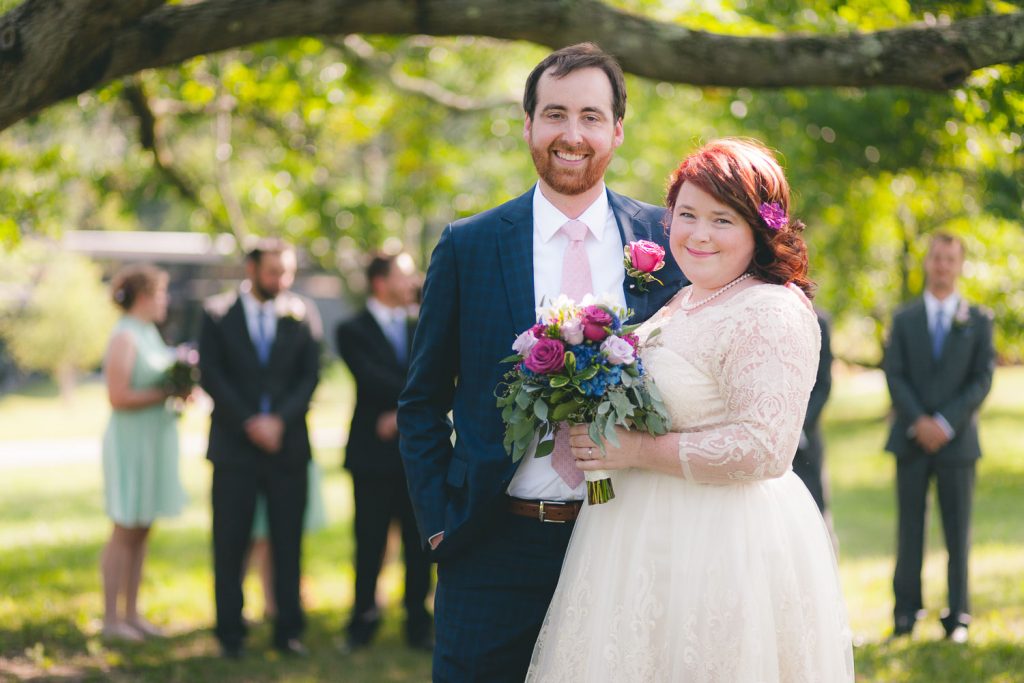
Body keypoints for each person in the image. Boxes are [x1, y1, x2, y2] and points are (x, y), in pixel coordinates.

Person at [398, 43, 685, 681]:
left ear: (616, 130)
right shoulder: (469, 246)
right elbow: (420, 400)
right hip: (493, 546)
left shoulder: (667, 241)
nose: (572, 134)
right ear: (528, 125)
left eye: (590, 116)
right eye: (554, 114)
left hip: (626, 542)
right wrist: (442, 524)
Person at [527, 138, 854, 681]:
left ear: (758, 228)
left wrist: (633, 449)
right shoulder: (684, 299)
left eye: (722, 220)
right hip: (636, 537)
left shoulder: (769, 309)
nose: (698, 234)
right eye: (687, 215)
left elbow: (763, 448)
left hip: (722, 543)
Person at [198, 239, 322, 659]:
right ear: (251, 270)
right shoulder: (216, 315)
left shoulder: (303, 313)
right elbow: (212, 376)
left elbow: (310, 377)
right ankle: (229, 633)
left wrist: (278, 421)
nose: (282, 280)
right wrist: (250, 422)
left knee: (289, 543)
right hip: (235, 446)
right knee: (230, 542)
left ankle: (288, 630)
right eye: (274, 272)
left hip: (288, 445)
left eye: (286, 272)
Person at [882, 232, 995, 643]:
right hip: (911, 439)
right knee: (909, 529)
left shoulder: (979, 320)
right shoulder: (904, 318)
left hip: (958, 441)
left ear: (960, 264)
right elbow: (893, 372)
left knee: (957, 530)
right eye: (937, 258)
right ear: (927, 262)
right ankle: (905, 614)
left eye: (951, 258)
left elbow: (982, 378)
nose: (943, 265)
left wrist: (945, 423)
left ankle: (958, 617)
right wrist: (919, 421)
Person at [336, 251, 433, 652]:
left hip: (416, 451)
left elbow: (434, 371)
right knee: (370, 539)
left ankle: (417, 623)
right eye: (405, 274)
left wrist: (399, 416)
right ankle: (362, 620)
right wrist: (410, 404)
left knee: (418, 541)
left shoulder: (422, 323)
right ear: (380, 282)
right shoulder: (351, 329)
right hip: (371, 453)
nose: (413, 281)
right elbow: (372, 378)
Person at [100, 264, 186, 641]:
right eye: (162, 294)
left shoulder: (148, 332)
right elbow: (118, 397)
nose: (166, 301)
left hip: (154, 439)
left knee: (142, 528)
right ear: (145, 297)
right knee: (125, 527)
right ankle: (111, 619)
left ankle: (132, 613)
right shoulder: (124, 336)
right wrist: (166, 394)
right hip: (131, 441)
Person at [244, 458, 328, 621]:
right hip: (251, 465)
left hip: (290, 460)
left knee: (289, 536)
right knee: (260, 536)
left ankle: (287, 596)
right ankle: (270, 600)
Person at [792, 309, 839, 551]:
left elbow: (824, 384)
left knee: (816, 515)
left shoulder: (819, 320)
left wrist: (797, 423)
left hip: (806, 439)